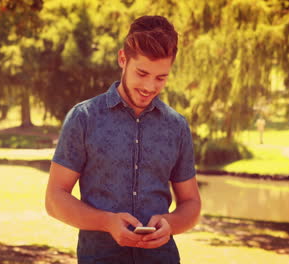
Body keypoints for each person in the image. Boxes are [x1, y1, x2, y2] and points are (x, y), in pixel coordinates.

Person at [45, 15, 201, 264]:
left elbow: (191, 203)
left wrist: (170, 223)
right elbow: (55, 199)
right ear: (122, 59)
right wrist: (107, 222)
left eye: (161, 78)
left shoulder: (177, 126)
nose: (150, 86)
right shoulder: (83, 118)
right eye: (142, 73)